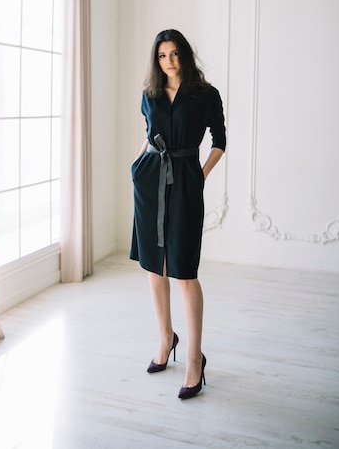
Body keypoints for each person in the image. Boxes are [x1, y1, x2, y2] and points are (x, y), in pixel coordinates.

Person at [130, 29, 226, 400]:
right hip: (150, 183)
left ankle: (194, 360)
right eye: (161, 56)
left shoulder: (205, 95)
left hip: (185, 183)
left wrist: (198, 176)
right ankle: (165, 338)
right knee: (156, 268)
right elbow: (149, 133)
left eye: (174, 54)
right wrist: (137, 164)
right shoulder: (149, 94)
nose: (168, 61)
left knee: (184, 271)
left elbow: (220, 141)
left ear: (185, 55)